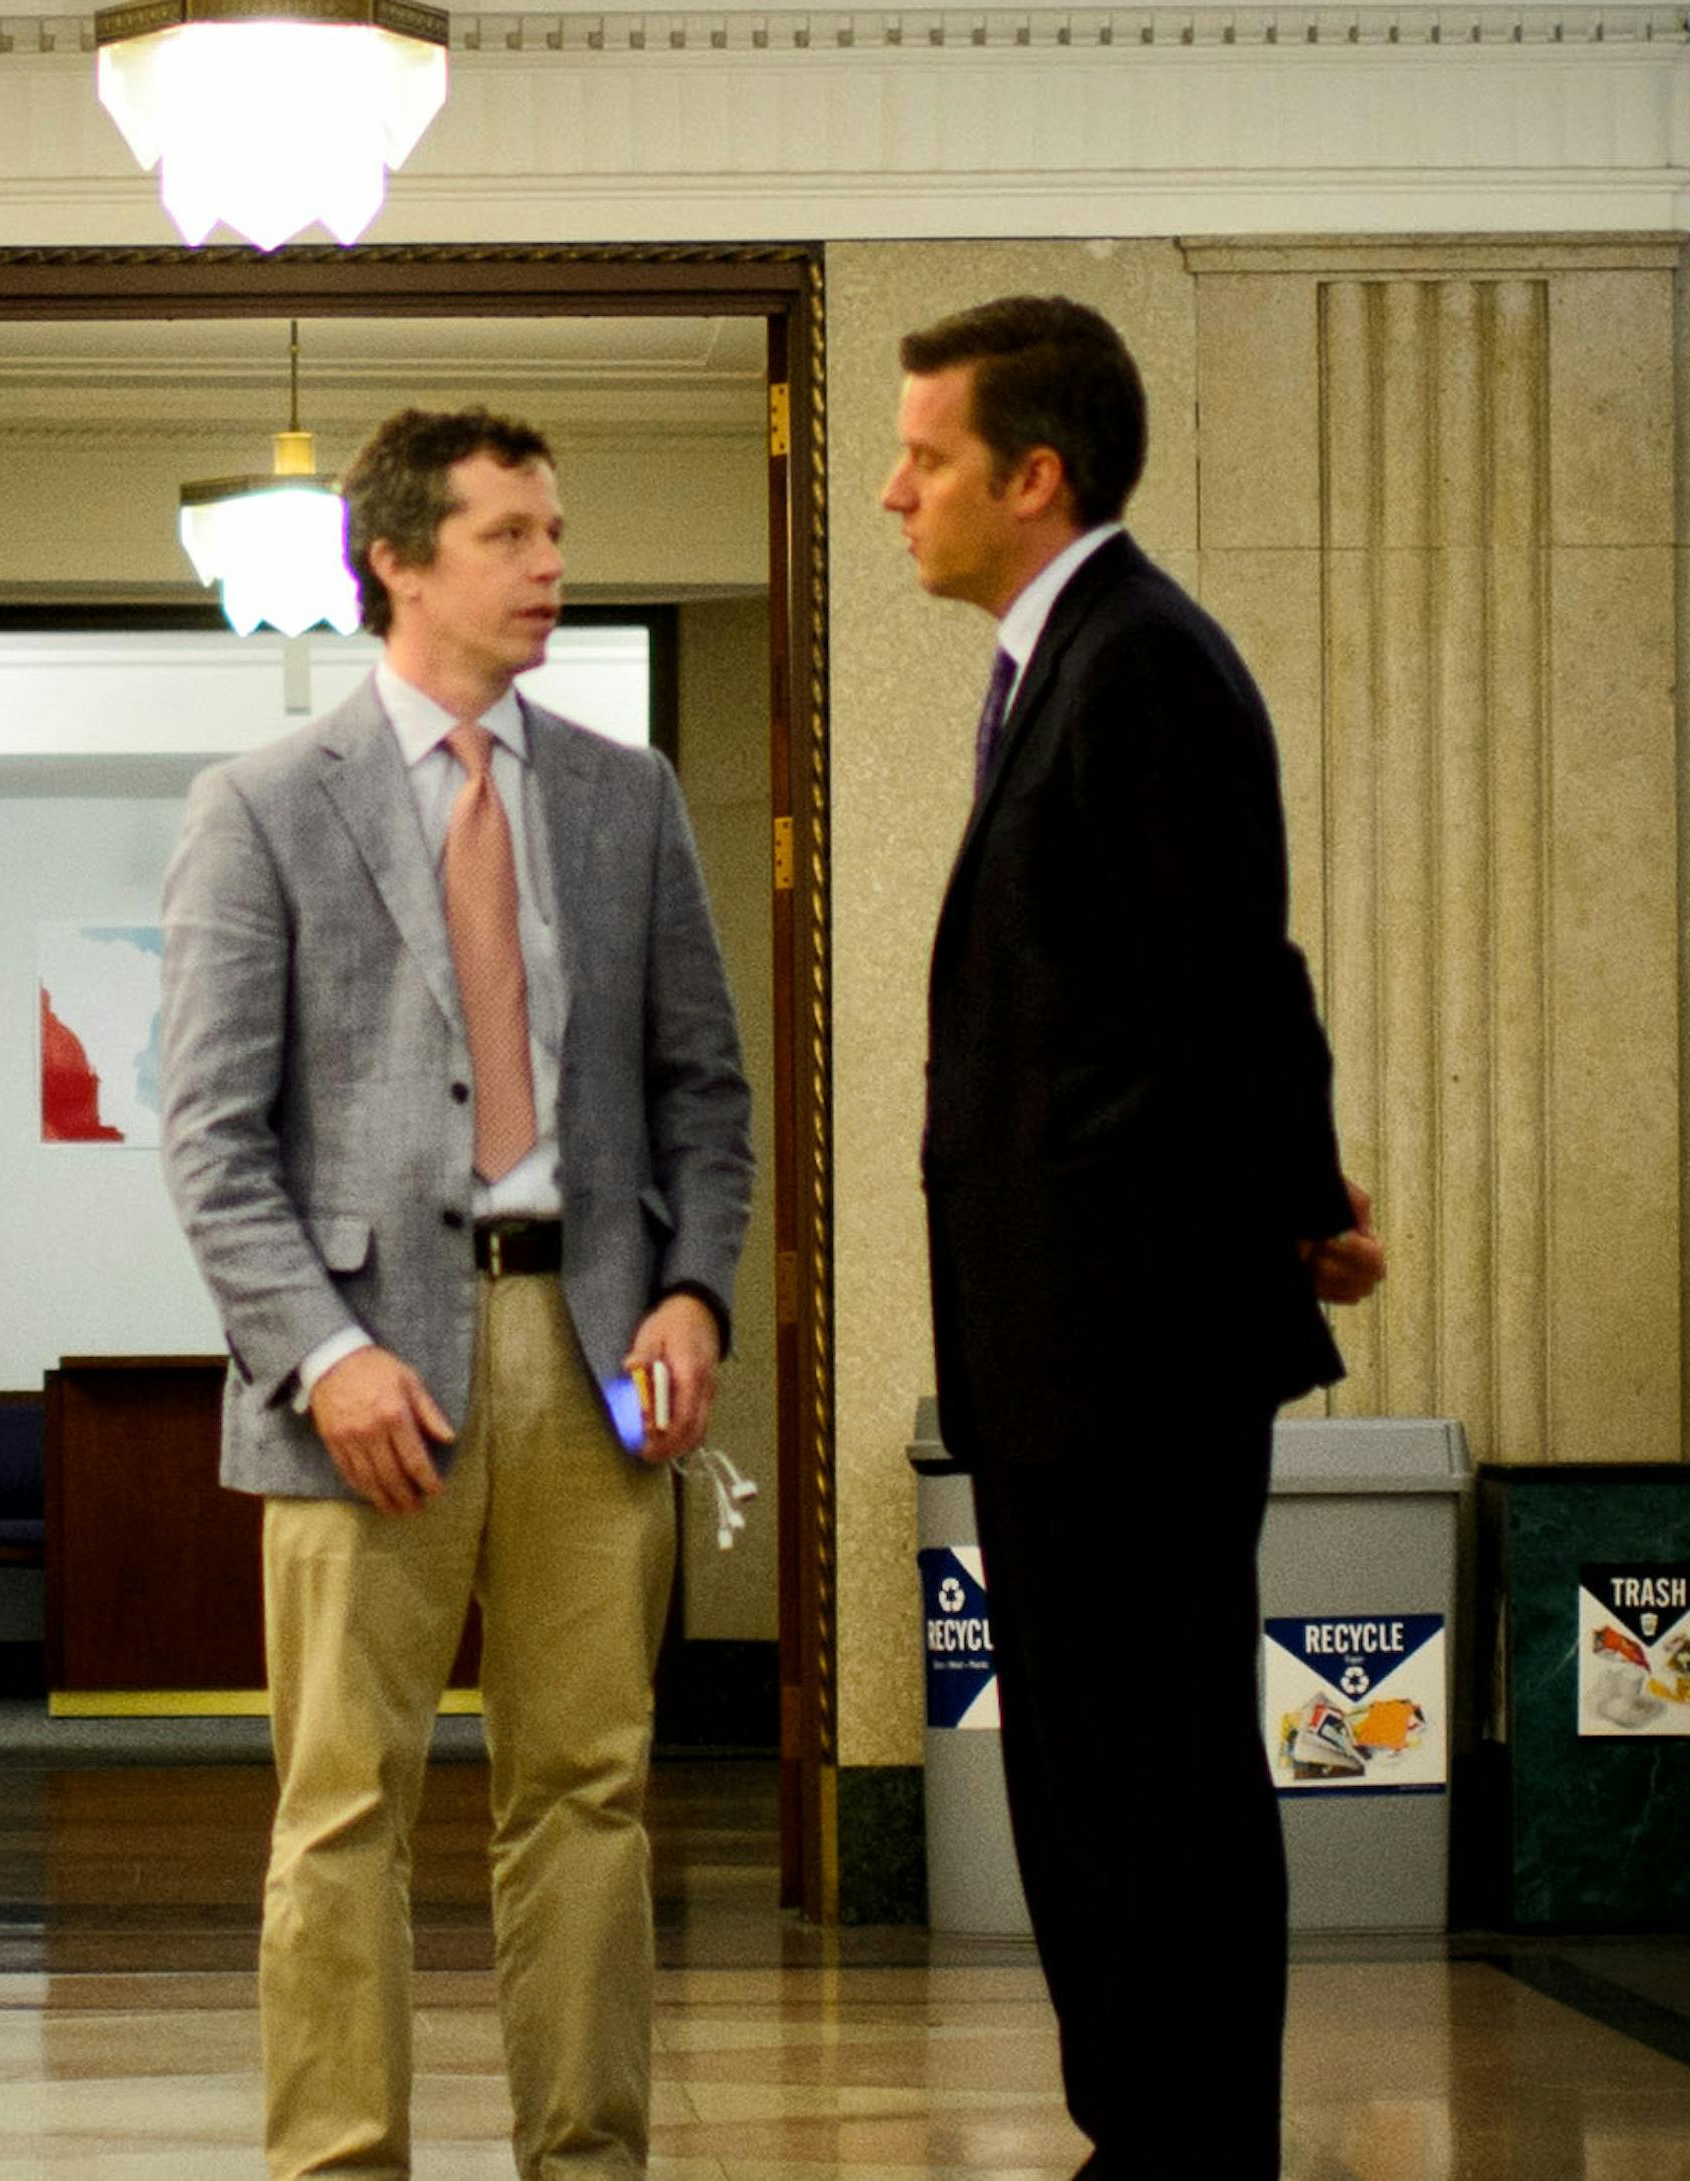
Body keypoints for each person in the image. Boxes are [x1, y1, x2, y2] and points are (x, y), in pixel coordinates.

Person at [159, 405, 752, 2181]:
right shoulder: (261, 805)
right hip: (363, 1380)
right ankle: (341, 2165)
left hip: (593, 1353)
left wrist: (698, 1293)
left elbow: (706, 1092)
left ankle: (589, 2158)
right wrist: (322, 1353)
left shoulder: (625, 797)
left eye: (555, 529)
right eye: (507, 533)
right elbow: (208, 1132)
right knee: (343, 1808)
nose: (551, 561)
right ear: (400, 562)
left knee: (592, 1794)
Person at [881, 297, 1385, 2180]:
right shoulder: (1076, 659)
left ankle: (1183, 2145)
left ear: (1036, 474)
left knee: (1147, 1762)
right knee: (1094, 1760)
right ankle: (1148, 2129)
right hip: (1075, 1345)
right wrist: (1303, 1199)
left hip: (1128, 1353)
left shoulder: (1140, 664)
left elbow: (1221, 987)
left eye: (926, 458)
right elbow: (1199, 992)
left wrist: (1284, 1216)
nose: (891, 491)